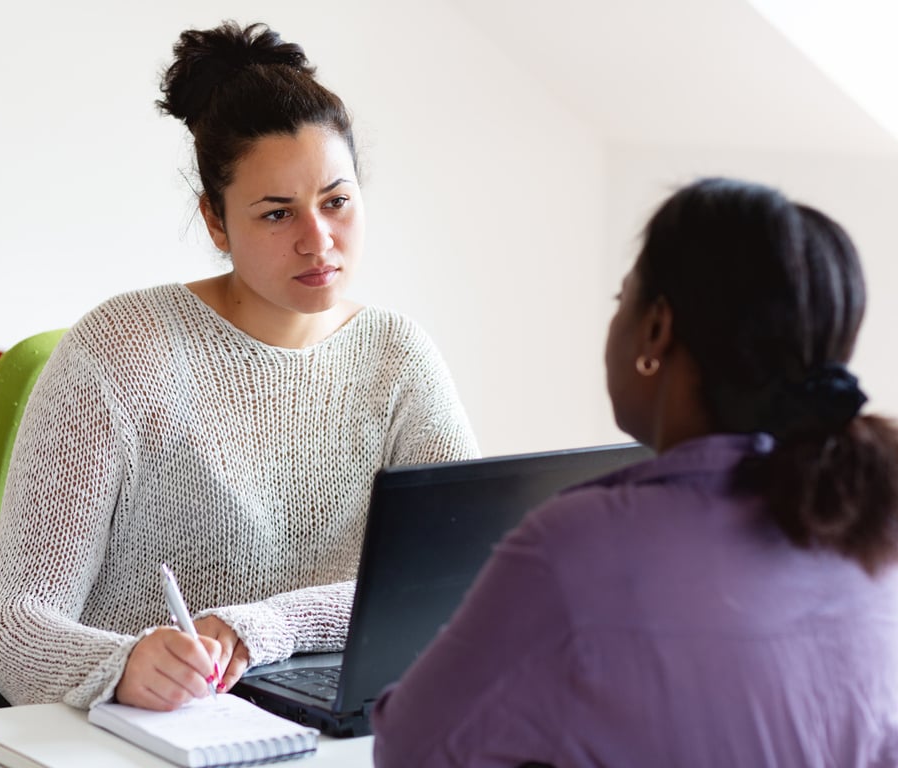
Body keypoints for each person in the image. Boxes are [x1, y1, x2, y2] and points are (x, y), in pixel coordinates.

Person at [0, 20, 478, 713]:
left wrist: (266, 628)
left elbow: (459, 578)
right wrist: (122, 665)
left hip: (333, 714)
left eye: (337, 201)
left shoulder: (400, 356)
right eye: (276, 214)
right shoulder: (121, 352)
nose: (318, 240)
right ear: (216, 222)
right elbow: (9, 625)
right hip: (151, 728)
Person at [372, 177, 898, 766]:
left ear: (656, 329)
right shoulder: (869, 520)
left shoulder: (578, 545)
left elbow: (411, 749)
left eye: (622, 299)